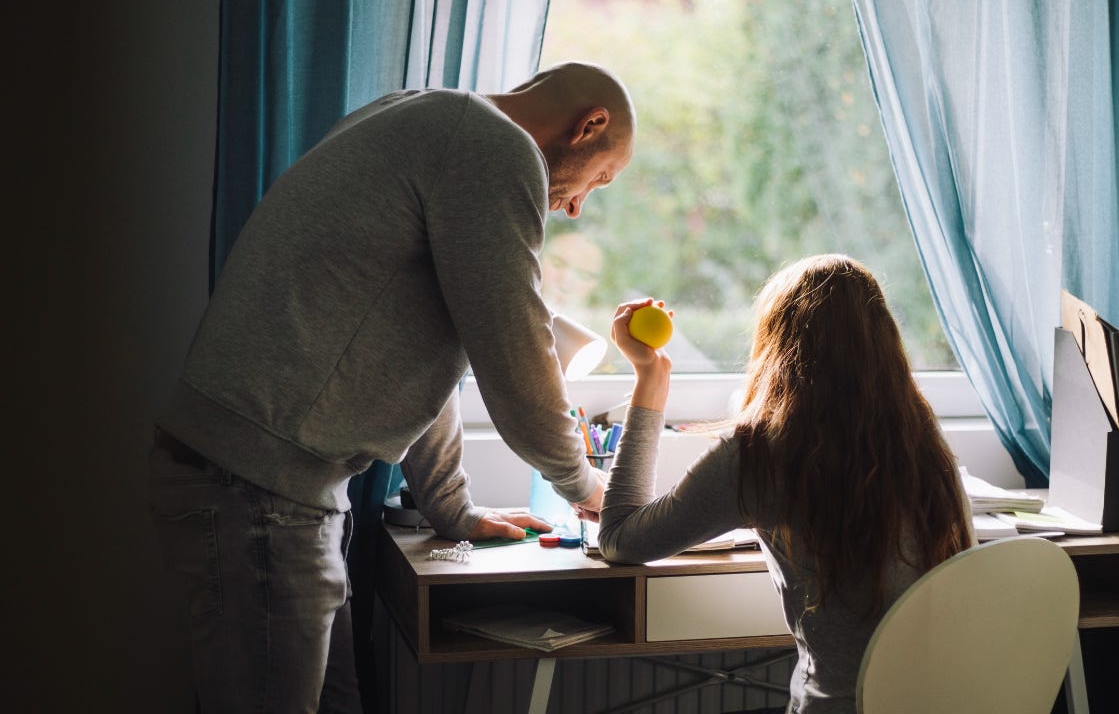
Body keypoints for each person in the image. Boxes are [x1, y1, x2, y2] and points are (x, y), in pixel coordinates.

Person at [148, 61, 635, 713]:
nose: (577, 205)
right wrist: (589, 489)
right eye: (598, 180)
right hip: (259, 486)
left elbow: (423, 356)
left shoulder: (421, 114)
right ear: (589, 125)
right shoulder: (492, 149)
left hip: (269, 482)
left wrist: (451, 508)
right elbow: (515, 350)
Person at [598, 254, 974, 714]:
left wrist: (650, 379)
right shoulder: (922, 439)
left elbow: (619, 539)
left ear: (776, 347)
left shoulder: (763, 453)